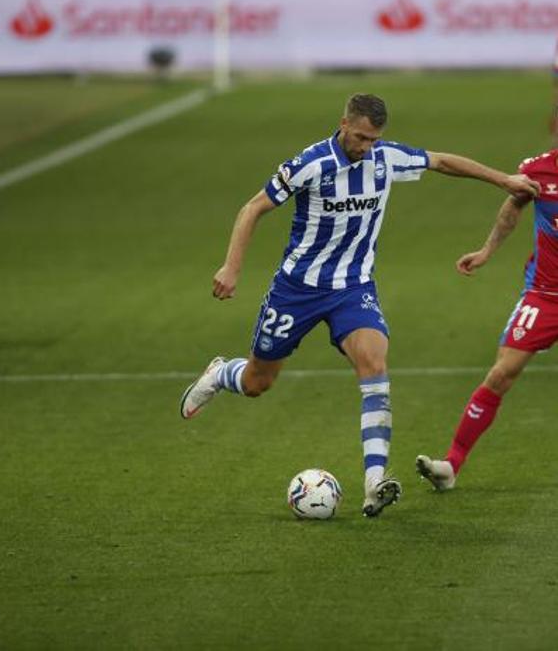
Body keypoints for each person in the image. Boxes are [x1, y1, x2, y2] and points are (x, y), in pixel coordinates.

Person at [179, 93, 540, 518]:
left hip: (353, 288)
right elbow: (253, 207)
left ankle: (374, 481)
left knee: (374, 364)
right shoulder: (311, 163)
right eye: (362, 137)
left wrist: (504, 180)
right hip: (296, 289)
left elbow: (441, 161)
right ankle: (222, 373)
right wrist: (231, 267)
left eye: (374, 140)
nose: (367, 147)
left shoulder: (386, 159)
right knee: (259, 382)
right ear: (344, 124)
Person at [417, 149, 555, 492]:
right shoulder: (538, 170)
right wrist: (487, 251)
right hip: (545, 295)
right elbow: (514, 206)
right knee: (500, 374)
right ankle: (451, 465)